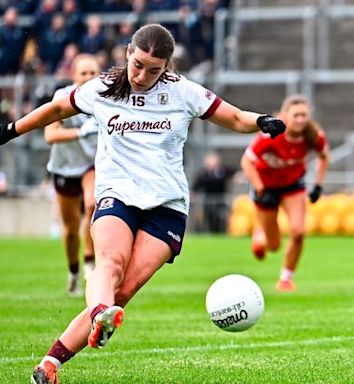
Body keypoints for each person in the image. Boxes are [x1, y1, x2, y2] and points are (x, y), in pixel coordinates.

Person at [0, 23, 285, 383]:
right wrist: (11, 131)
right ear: (127, 55)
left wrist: (261, 121)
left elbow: (233, 117)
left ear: (167, 67)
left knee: (125, 290)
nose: (142, 75)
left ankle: (53, 360)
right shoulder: (102, 88)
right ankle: (82, 331)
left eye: (154, 70)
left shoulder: (183, 93)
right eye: (138, 65)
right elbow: (55, 110)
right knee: (110, 261)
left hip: (166, 205)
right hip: (118, 193)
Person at [240, 94, 329, 292]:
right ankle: (260, 232)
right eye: (296, 115)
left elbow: (324, 156)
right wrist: (260, 188)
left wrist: (318, 185)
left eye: (304, 115)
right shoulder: (271, 135)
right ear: (285, 115)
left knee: (298, 232)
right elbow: (246, 162)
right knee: (274, 246)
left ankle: (286, 278)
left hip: (292, 185)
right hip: (266, 186)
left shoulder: (313, 135)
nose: (300, 120)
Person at [45, 53, 101, 296]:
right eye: (83, 73)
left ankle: (90, 264)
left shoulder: (106, 96)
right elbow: (50, 135)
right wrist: (80, 133)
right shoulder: (62, 97)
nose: (89, 77)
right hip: (65, 167)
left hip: (92, 164)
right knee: (69, 229)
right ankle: (74, 271)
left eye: (93, 73)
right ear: (73, 76)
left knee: (92, 205)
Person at [192, 151, 235, 233]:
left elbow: (233, 173)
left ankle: (222, 233)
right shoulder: (203, 174)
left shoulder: (223, 170)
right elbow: (196, 186)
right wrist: (193, 195)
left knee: (221, 218)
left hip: (221, 201)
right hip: (209, 202)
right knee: (209, 219)